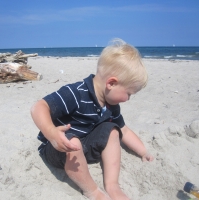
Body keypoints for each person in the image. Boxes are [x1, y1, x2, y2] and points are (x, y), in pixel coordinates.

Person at [31, 38, 153, 200]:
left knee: (113, 131)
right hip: (57, 147)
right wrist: (52, 133)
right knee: (73, 141)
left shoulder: (111, 105)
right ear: (111, 83)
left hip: (84, 145)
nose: (128, 99)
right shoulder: (76, 93)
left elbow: (124, 130)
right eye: (128, 94)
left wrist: (143, 151)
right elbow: (38, 107)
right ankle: (92, 191)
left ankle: (112, 186)